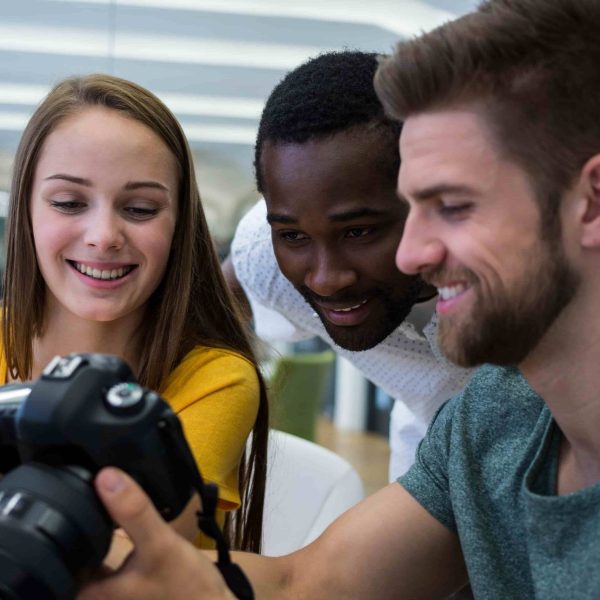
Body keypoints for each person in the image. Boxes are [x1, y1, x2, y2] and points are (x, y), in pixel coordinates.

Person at [77, 0, 600, 597]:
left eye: (453, 206)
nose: (413, 253)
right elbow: (309, 583)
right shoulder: (488, 424)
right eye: (415, 208)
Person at [1, 73, 268, 554]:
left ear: (179, 225)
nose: (104, 235)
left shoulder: (216, 378)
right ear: (26, 211)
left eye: (141, 208)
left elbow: (137, 562)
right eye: (68, 202)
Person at [222, 50, 473, 479]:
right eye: (294, 236)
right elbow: (193, 313)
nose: (327, 279)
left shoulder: (498, 267)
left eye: (358, 232)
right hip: (426, 451)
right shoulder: (263, 254)